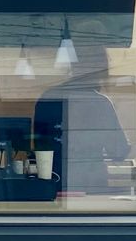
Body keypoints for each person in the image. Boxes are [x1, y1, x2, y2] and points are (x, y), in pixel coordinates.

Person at [34, 44, 130, 193]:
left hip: (55, 184)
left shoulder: (49, 98)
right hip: (92, 188)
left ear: (73, 65)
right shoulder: (101, 104)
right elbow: (119, 152)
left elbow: (38, 149)